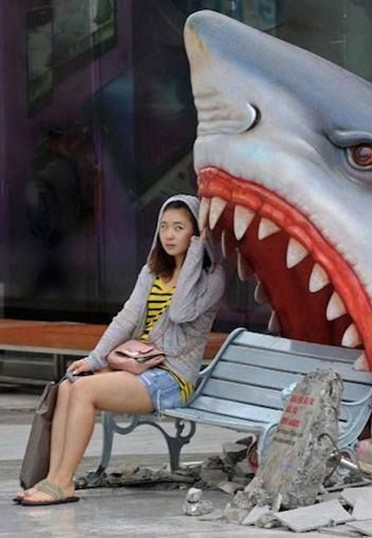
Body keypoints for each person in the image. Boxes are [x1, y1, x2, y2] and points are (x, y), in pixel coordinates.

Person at [16, 194, 225, 506]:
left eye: (179, 228)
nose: (168, 235)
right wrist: (95, 358)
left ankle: (63, 482)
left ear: (195, 233)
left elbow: (181, 312)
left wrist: (196, 253)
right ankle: (52, 479)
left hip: (173, 378)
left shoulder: (213, 277)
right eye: (164, 226)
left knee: (86, 392)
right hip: (138, 366)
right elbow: (126, 318)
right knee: (69, 386)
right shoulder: (152, 271)